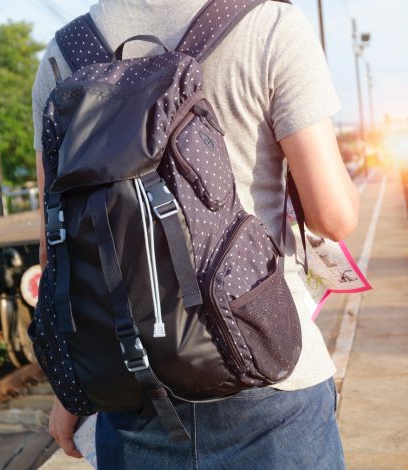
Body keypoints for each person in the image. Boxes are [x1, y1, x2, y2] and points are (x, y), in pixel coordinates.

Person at [31, 0, 359, 467]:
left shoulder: (63, 55)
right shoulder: (270, 25)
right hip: (270, 378)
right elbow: (334, 215)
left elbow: (58, 246)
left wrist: (72, 393)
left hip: (133, 385)